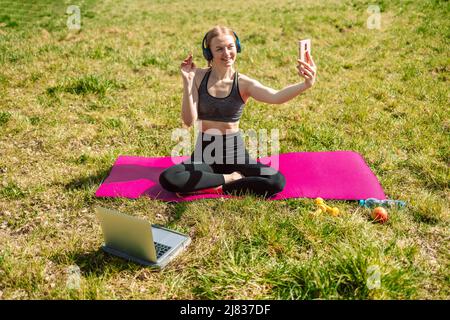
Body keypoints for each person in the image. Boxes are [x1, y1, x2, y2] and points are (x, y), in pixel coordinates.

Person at [159, 25, 317, 198]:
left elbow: (276, 97)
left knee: (276, 181)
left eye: (230, 47)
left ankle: (215, 186)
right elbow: (189, 121)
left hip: (236, 154)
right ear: (209, 53)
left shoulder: (243, 83)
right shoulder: (197, 77)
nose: (226, 53)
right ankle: (230, 179)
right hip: (204, 154)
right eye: (219, 49)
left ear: (237, 47)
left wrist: (305, 85)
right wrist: (188, 84)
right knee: (169, 177)